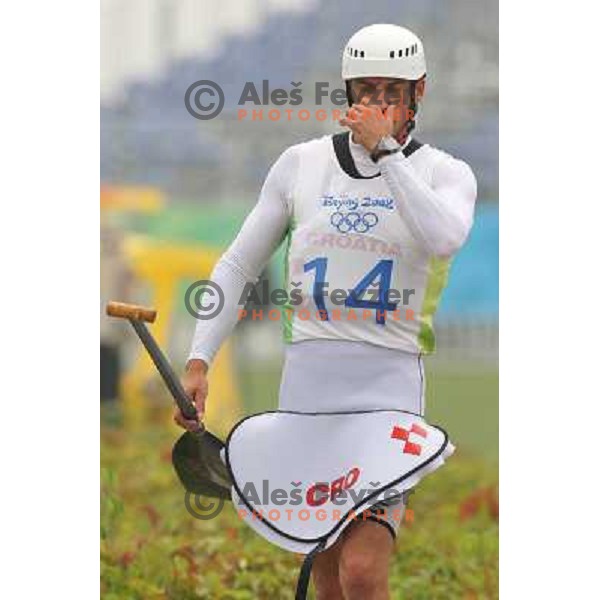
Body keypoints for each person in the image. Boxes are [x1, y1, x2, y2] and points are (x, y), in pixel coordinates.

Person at [175, 23, 477, 600]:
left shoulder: (444, 173)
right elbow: (236, 268)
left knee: (364, 571)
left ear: (419, 93)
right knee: (331, 579)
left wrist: (387, 152)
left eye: (393, 91)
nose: (378, 104)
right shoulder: (300, 165)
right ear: (347, 93)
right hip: (307, 403)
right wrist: (198, 360)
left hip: (387, 406)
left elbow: (443, 238)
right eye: (366, 90)